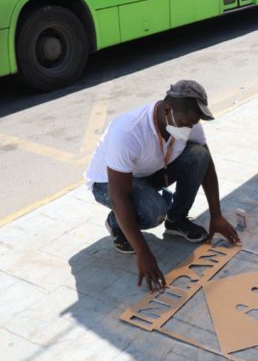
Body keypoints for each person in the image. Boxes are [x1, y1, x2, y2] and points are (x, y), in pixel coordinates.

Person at [84, 80, 240, 290]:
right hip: (109, 182)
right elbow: (118, 195)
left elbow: (208, 166)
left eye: (194, 123)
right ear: (167, 110)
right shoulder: (128, 131)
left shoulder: (185, 120)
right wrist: (143, 252)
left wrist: (216, 215)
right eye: (186, 123)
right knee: (153, 210)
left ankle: (176, 221)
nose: (190, 128)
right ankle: (117, 223)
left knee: (198, 156)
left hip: (149, 171)